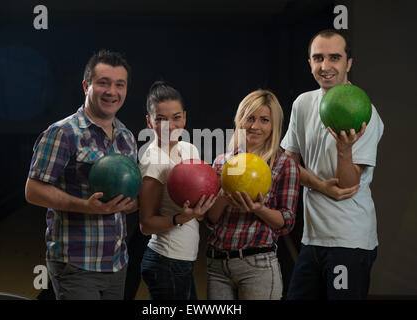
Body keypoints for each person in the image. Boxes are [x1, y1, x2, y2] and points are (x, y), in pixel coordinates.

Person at [25, 50, 138, 300]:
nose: (112, 91)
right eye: (103, 83)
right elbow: (33, 190)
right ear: (86, 86)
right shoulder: (63, 133)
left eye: (120, 85)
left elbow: (129, 198)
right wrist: (85, 207)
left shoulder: (127, 137)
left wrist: (129, 203)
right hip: (76, 263)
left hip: (117, 263)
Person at [281, 29, 384, 300]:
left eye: (334, 58)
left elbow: (349, 185)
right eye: (318, 58)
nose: (325, 66)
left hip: (349, 242)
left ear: (348, 63)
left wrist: (344, 150)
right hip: (312, 239)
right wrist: (319, 185)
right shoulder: (303, 104)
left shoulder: (365, 112)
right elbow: (287, 165)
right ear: (310, 63)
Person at [206, 89, 300, 300]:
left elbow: (286, 222)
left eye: (264, 120)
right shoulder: (222, 162)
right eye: (250, 118)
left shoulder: (284, 164)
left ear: (273, 125)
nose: (255, 126)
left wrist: (259, 209)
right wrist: (222, 194)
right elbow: (211, 219)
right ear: (240, 120)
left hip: (257, 265)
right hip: (217, 265)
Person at [138, 81, 216, 300]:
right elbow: (146, 225)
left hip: (182, 261)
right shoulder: (153, 160)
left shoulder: (189, 149)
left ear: (185, 117)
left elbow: (196, 210)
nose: (170, 126)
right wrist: (181, 218)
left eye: (176, 117)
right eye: (160, 119)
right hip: (165, 261)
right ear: (149, 121)